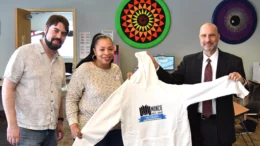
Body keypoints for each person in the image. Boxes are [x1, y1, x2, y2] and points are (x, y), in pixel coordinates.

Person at [146, 22, 247, 146]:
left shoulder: (233, 61)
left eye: (212, 35)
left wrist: (241, 81)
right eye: (204, 36)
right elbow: (172, 81)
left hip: (221, 125)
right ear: (199, 37)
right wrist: (157, 67)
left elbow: (241, 92)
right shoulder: (188, 61)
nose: (207, 40)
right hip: (194, 123)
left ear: (219, 37)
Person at [2, 15, 69, 146]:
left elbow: (58, 92)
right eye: (55, 30)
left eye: (63, 33)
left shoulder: (60, 61)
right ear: (45, 29)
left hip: (51, 129)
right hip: (27, 129)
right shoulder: (24, 53)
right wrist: (12, 124)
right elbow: (8, 88)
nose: (59, 36)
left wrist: (60, 121)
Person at [66, 33, 124, 146]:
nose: (106, 53)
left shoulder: (116, 69)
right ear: (94, 51)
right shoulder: (84, 69)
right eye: (102, 49)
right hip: (90, 131)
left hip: (115, 129)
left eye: (110, 49)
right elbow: (71, 99)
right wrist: (73, 124)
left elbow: (120, 96)